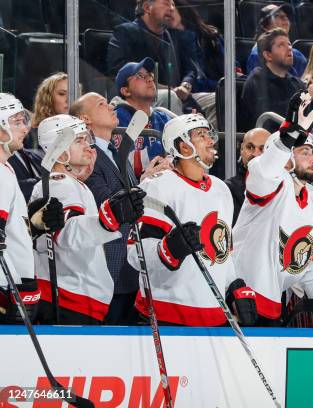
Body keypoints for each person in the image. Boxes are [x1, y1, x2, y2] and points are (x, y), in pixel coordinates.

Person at [232, 91, 313, 337]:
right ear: (287, 158)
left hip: (273, 302)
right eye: (304, 151)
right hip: (237, 296)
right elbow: (265, 169)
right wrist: (287, 136)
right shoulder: (270, 184)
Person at [128, 114, 257, 326]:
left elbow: (223, 252)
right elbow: (135, 254)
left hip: (215, 315)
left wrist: (234, 286)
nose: (210, 141)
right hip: (167, 314)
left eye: (209, 134)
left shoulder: (221, 188)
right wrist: (169, 249)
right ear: (184, 147)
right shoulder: (158, 186)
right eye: (201, 135)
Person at [31, 115, 145, 324]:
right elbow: (66, 235)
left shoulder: (66, 183)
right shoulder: (61, 183)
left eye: (87, 140)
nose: (88, 147)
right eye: (79, 140)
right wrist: (108, 219)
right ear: (58, 148)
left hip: (74, 300)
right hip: (68, 301)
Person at [70, 92, 170, 324]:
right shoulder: (88, 157)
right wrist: (145, 183)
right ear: (85, 119)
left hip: (129, 269)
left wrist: (145, 179)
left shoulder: (116, 152)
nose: (111, 106)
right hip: (111, 268)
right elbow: (108, 204)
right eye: (102, 104)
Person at [0, 93, 57, 324]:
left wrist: (32, 225)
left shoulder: (7, 169)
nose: (25, 128)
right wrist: (7, 294)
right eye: (16, 122)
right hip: (7, 289)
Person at [106, 0, 196, 114]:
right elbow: (117, 70)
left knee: (216, 96)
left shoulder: (172, 35)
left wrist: (185, 85)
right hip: (143, 97)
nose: (172, 9)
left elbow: (190, 68)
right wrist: (164, 88)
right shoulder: (125, 32)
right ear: (147, 7)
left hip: (179, 94)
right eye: (166, 3)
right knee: (171, 96)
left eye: (173, 5)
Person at [10, 72, 68, 200]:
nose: (69, 99)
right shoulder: (29, 136)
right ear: (47, 98)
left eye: (74, 92)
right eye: (62, 94)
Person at [112, 58, 174, 179]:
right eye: (140, 76)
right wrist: (167, 149)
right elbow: (126, 163)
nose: (150, 79)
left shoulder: (163, 116)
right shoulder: (117, 117)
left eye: (150, 75)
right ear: (126, 91)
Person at [240, 28, 305, 132]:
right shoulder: (256, 81)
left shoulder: (296, 83)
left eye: (289, 44)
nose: (289, 48)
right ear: (268, 55)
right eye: (281, 45)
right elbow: (268, 119)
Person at [224, 127, 271, 226]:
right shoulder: (227, 189)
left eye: (262, 149)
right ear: (241, 149)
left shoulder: (283, 188)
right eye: (250, 147)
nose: (255, 154)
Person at [246, 3, 308, 78]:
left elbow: (304, 86)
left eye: (286, 16)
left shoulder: (298, 55)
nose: (285, 18)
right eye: (277, 16)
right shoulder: (258, 55)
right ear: (265, 26)